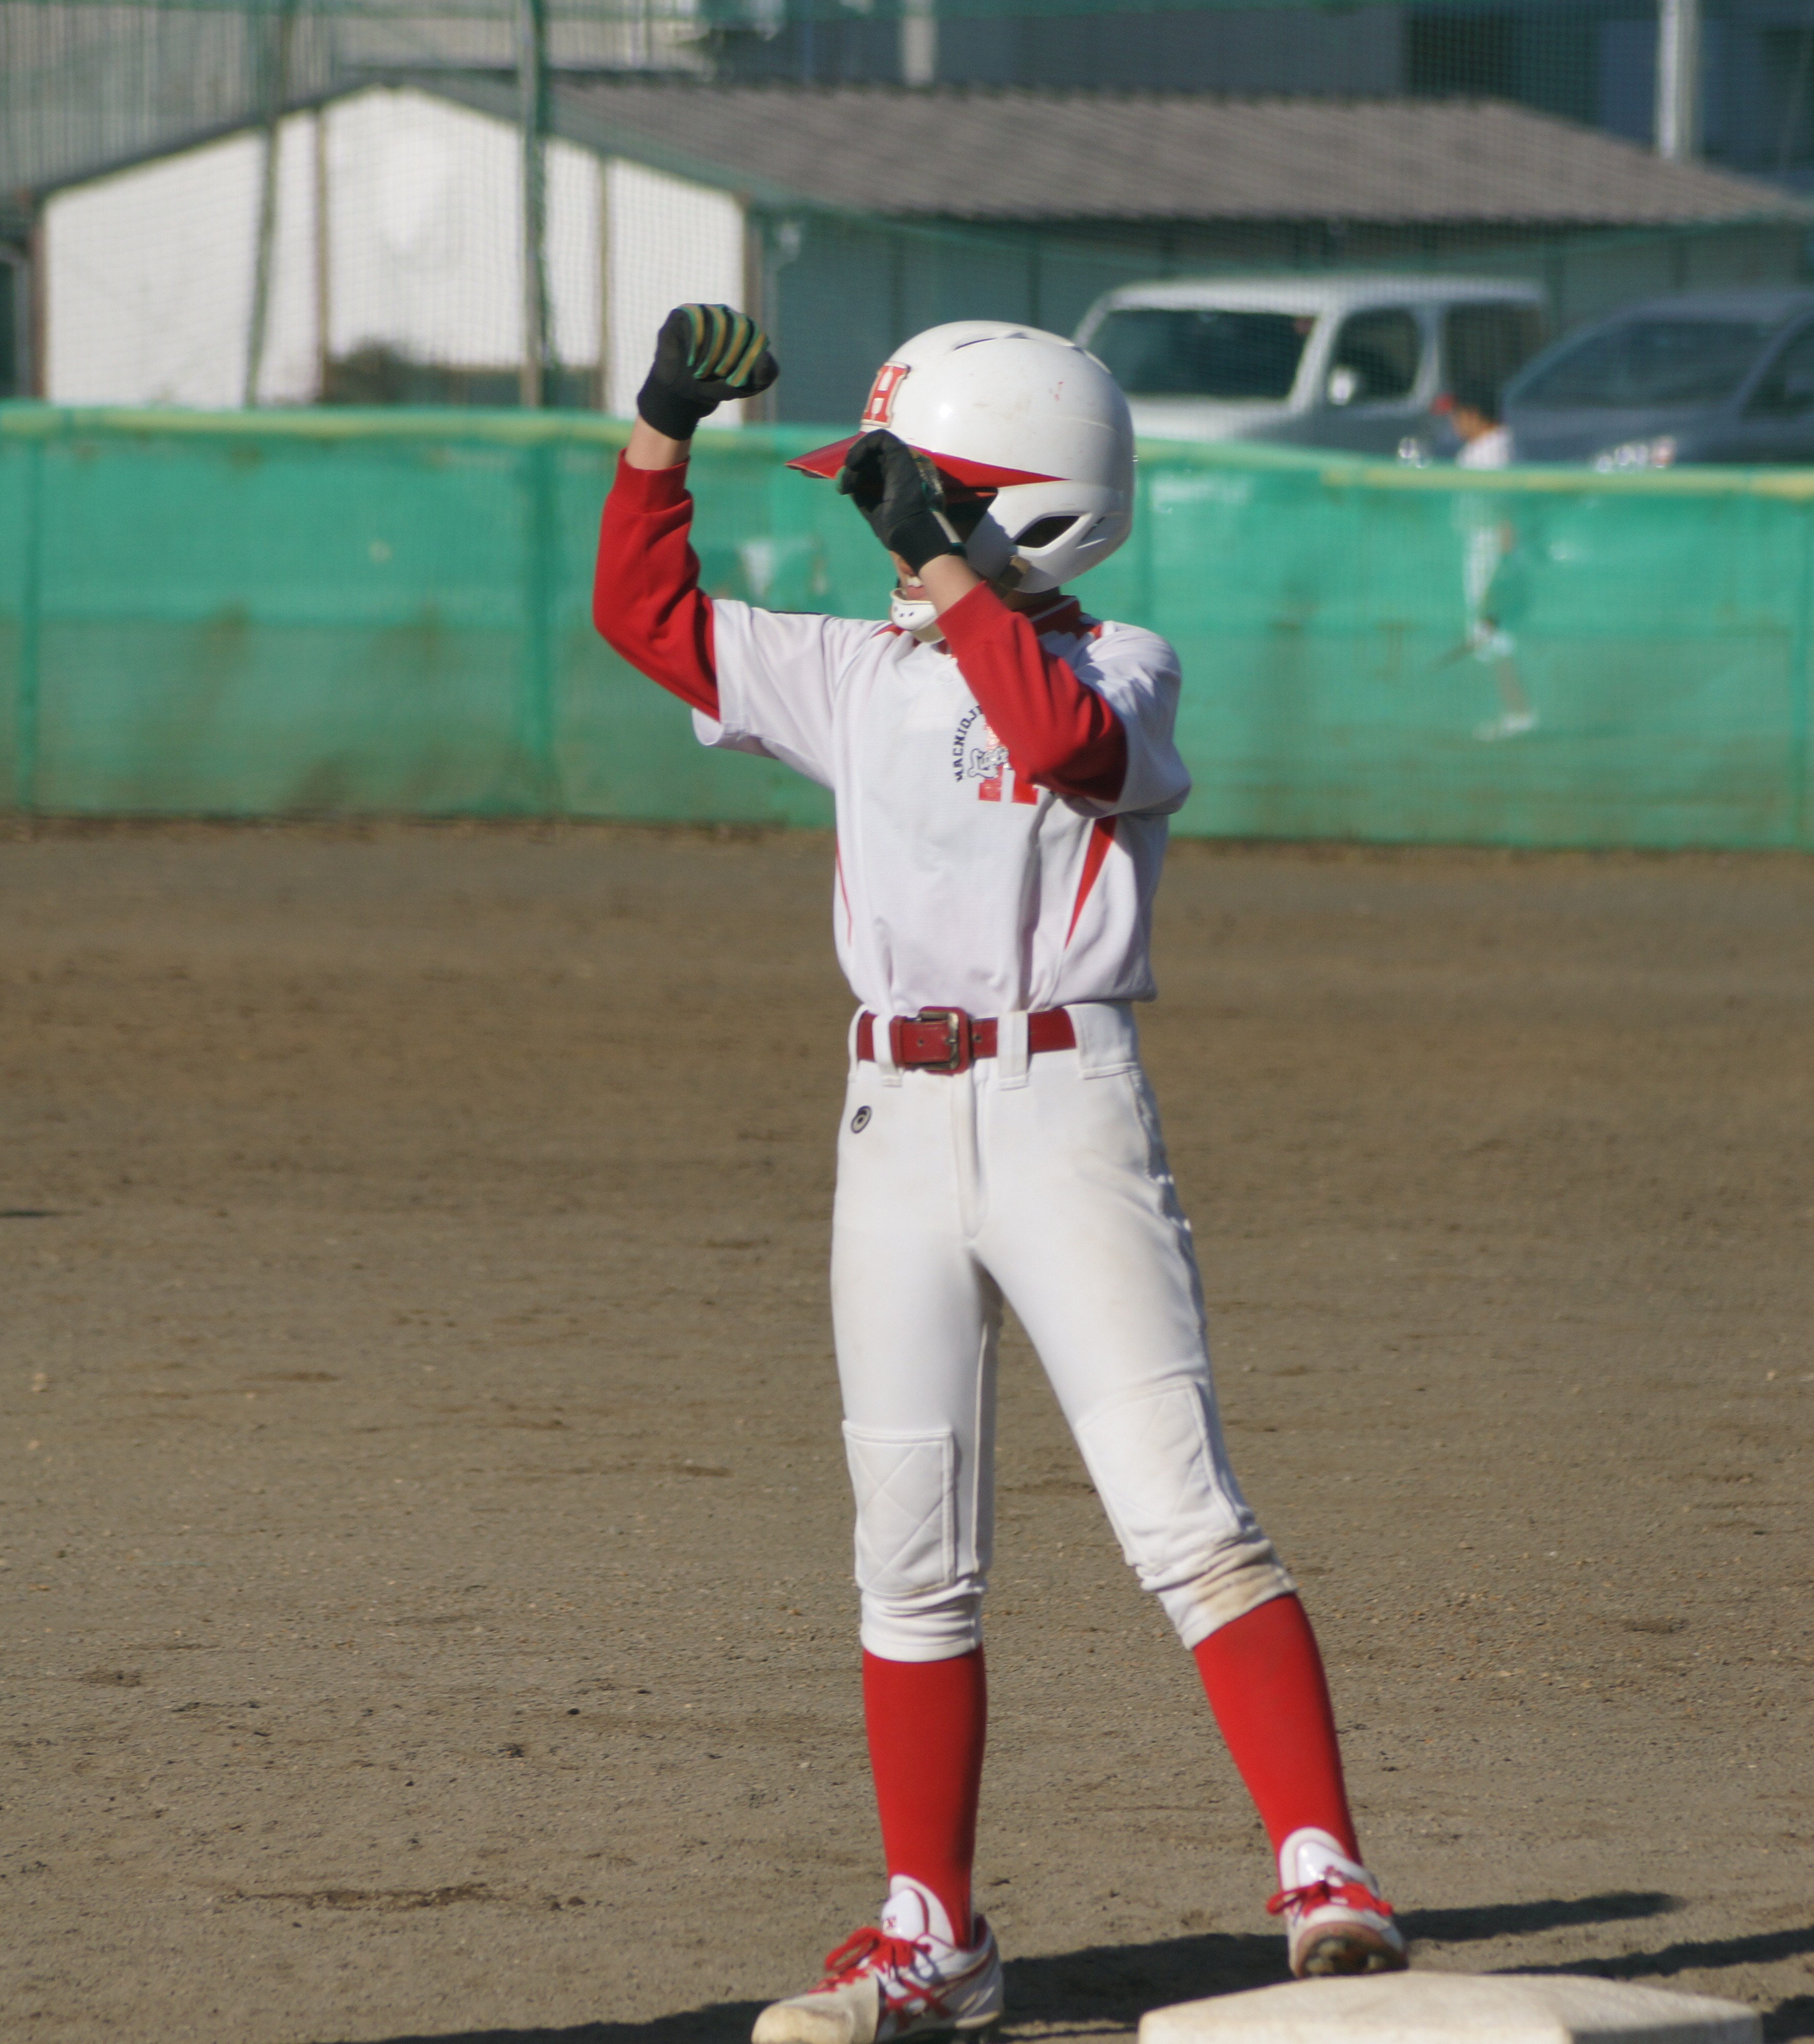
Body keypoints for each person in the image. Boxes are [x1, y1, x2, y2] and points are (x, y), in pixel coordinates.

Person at [589, 306, 1406, 2044]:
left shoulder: (1127, 665)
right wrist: (661, 431)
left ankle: (1323, 1870)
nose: (885, 530)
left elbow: (1067, 751)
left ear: (1026, 509)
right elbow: (644, 619)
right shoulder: (858, 673)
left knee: (1184, 1518)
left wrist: (960, 574)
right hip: (889, 1127)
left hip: (1062, 1115)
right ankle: (932, 1939)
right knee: (909, 1555)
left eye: (918, 499)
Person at [1435, 382, 1536, 737]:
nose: (1453, 424)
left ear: (1473, 415)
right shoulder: (1496, 446)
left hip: (1492, 551)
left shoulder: (1491, 452)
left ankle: (1518, 714)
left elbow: (1505, 507)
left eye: (1456, 416)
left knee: (1496, 636)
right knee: (1493, 635)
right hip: (1488, 549)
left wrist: (1504, 564)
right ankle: (1515, 711)